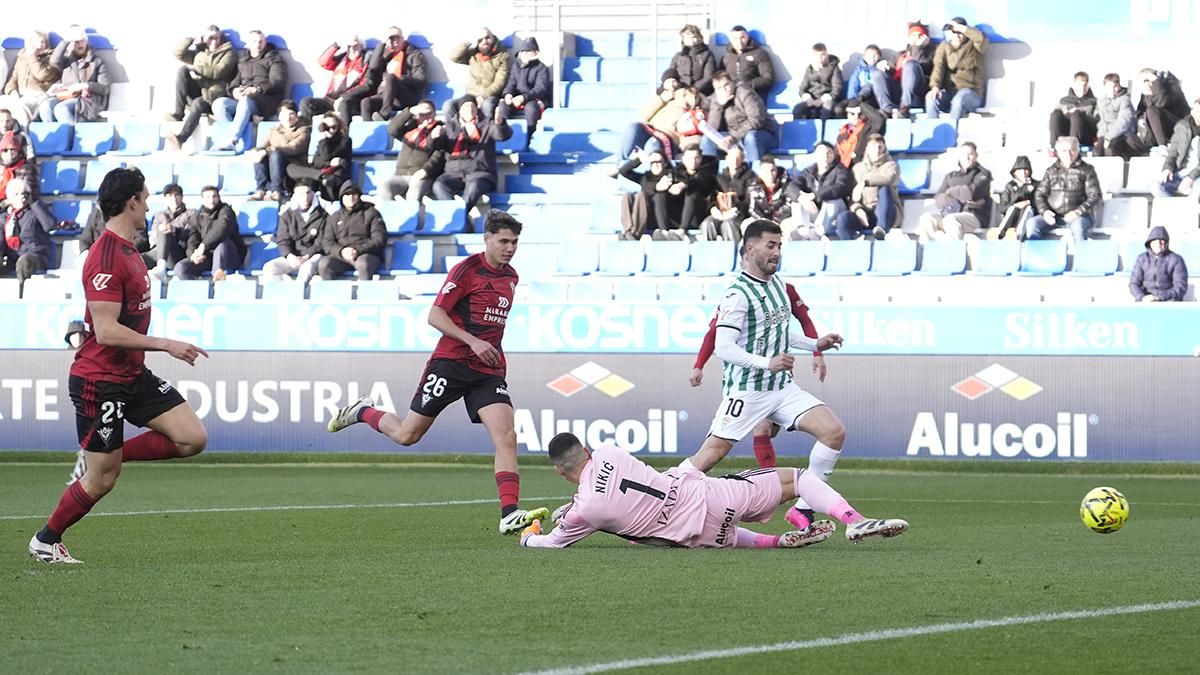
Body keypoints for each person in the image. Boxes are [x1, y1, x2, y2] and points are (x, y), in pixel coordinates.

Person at [328, 210, 550, 535]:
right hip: (451, 363)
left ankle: (509, 513)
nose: (510, 247)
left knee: (507, 437)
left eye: (515, 241)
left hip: (487, 371)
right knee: (407, 435)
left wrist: (489, 352)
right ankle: (363, 411)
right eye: (503, 240)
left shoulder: (511, 277)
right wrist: (472, 342)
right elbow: (435, 315)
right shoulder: (467, 270)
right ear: (486, 239)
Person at [28, 167, 208, 565]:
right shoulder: (106, 255)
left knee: (191, 438)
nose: (148, 203)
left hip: (131, 373)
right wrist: (166, 344)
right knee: (102, 479)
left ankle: (106, 452)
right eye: (145, 196)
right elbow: (107, 331)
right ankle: (46, 539)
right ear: (133, 202)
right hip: (100, 381)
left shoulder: (129, 250)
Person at [676, 220, 850, 534]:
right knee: (711, 455)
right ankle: (657, 501)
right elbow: (724, 346)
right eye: (770, 245)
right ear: (749, 249)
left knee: (834, 432)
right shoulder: (737, 294)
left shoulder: (778, 285)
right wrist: (766, 363)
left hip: (781, 387)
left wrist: (814, 344)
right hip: (747, 390)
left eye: (779, 246)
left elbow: (779, 333)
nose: (776, 252)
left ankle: (802, 510)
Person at [521, 433, 908, 549]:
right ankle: (853, 521)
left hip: (697, 535)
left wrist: (528, 538)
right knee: (796, 478)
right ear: (586, 450)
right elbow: (612, 480)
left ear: (559, 472)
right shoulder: (608, 450)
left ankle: (775, 543)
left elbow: (554, 542)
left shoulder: (585, 511)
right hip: (707, 496)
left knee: (639, 534)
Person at [690, 252, 828, 469]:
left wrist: (816, 350)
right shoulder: (738, 296)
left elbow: (803, 321)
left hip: (780, 380)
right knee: (755, 432)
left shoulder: (784, 289)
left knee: (776, 431)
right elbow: (715, 334)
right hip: (749, 382)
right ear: (746, 257)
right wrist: (699, 365)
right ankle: (770, 484)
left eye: (778, 246)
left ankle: (786, 494)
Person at [432, 95, 512, 222]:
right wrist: (434, 137)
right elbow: (436, 146)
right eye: (466, 107)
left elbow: (502, 135)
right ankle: (458, 216)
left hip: (481, 174)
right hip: (454, 173)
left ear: (477, 109)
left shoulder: (486, 124)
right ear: (459, 111)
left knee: (473, 188)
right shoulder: (449, 127)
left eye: (472, 106)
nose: (469, 109)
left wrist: (500, 124)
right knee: (439, 185)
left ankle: (458, 220)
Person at [210, 30, 287, 152]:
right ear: (248, 44)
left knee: (245, 101)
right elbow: (233, 83)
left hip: (265, 102)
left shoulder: (274, 59)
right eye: (254, 41)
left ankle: (232, 140)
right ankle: (235, 140)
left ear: (265, 43)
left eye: (261, 41)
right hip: (243, 100)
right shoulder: (242, 61)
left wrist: (257, 89)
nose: (258, 44)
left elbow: (278, 82)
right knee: (219, 104)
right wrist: (235, 91)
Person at [164, 26, 237, 151]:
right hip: (200, 91)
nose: (214, 41)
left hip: (214, 97)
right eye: (210, 38)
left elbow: (218, 72)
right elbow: (178, 53)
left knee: (198, 102)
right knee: (182, 71)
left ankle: (181, 138)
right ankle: (178, 113)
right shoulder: (199, 52)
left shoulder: (229, 53)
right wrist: (190, 40)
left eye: (217, 38)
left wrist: (197, 68)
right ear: (205, 39)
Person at [1020, 136, 1102, 242]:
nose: (1068, 154)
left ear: (1077, 150)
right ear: (1058, 152)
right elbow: (1040, 194)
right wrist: (1044, 211)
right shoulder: (1051, 171)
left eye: (1072, 150)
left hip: (1080, 217)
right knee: (1032, 223)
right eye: (1064, 151)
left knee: (1078, 227)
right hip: (1055, 217)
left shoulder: (1087, 170)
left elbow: (1095, 195)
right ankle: (1036, 256)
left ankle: (1082, 256)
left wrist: (1078, 211)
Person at [916, 142, 992, 242]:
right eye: (964, 154)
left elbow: (971, 193)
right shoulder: (951, 175)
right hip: (949, 212)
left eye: (970, 154)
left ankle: (952, 255)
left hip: (974, 215)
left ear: (976, 155)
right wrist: (962, 195)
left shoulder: (983, 174)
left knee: (951, 220)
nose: (967, 157)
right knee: (927, 218)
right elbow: (939, 199)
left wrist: (950, 192)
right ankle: (926, 253)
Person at [782, 142, 856, 241]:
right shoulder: (808, 172)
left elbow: (840, 188)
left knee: (831, 201)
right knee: (797, 200)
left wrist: (815, 195)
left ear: (833, 155)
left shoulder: (841, 170)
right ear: (816, 156)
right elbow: (791, 186)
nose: (825, 156)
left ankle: (818, 232)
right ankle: (803, 231)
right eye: (822, 153)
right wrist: (801, 198)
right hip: (815, 210)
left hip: (834, 213)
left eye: (829, 153)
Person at [700, 71, 777, 165]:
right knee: (707, 139)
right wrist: (720, 106)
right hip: (733, 136)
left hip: (760, 133)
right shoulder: (715, 99)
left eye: (726, 85)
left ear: (732, 82)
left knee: (751, 137)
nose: (723, 90)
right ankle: (708, 171)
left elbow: (756, 120)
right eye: (719, 88)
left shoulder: (745, 92)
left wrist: (734, 136)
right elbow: (712, 128)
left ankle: (753, 172)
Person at [379, 100, 445, 202]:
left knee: (413, 193)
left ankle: (412, 216)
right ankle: (390, 216)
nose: (426, 116)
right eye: (422, 114)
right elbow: (392, 129)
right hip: (401, 175)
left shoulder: (440, 130)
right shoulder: (410, 129)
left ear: (435, 114)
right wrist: (410, 111)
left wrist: (424, 171)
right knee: (384, 186)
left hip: (423, 176)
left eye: (429, 113)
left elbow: (438, 155)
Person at [262, 179, 326, 284]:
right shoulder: (287, 215)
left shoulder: (323, 215)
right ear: (295, 195)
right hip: (293, 257)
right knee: (270, 267)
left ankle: (298, 294)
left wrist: (306, 256)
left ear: (312, 194)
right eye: (301, 193)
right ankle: (285, 293)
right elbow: (283, 240)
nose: (305, 196)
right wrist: (290, 256)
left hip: (314, 256)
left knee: (307, 267)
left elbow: (321, 242)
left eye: (308, 193)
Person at [41, 26, 110, 123]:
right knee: (45, 106)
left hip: (86, 100)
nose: (80, 44)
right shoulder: (67, 60)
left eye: (82, 41)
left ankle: (72, 137)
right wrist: (66, 40)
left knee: (61, 109)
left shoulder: (97, 62)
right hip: (67, 95)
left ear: (86, 42)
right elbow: (54, 61)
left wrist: (85, 85)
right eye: (76, 42)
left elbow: (105, 88)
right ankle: (55, 136)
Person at [174, 185, 244, 280]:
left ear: (219, 197)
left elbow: (221, 229)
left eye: (214, 196)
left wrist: (203, 246)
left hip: (229, 256)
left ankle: (218, 275)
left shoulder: (227, 211)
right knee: (180, 268)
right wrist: (193, 255)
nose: (211, 200)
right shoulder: (197, 216)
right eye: (207, 197)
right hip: (207, 257)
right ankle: (198, 291)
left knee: (222, 244)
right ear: (202, 199)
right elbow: (192, 239)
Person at [317, 183, 385, 280]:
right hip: (342, 256)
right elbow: (327, 242)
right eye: (347, 195)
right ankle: (331, 294)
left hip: (365, 254)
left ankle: (364, 293)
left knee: (363, 264)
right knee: (324, 264)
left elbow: (379, 239)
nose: (351, 198)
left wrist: (357, 250)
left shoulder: (371, 213)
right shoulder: (334, 217)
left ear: (359, 196)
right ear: (342, 197)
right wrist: (341, 251)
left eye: (354, 194)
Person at [247, 101, 311, 202]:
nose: (288, 118)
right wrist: (255, 151)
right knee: (259, 152)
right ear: (279, 116)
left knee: (275, 153)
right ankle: (260, 189)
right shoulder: (274, 131)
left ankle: (277, 191)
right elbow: (263, 146)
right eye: (284, 114)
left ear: (296, 116)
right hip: (274, 170)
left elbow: (293, 148)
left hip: (291, 168)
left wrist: (269, 151)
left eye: (291, 114)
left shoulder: (303, 130)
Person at [360, 26, 428, 121]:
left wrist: (400, 79)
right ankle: (369, 132)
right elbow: (373, 67)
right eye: (391, 38)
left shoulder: (414, 55)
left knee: (391, 77)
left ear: (403, 39)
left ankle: (384, 114)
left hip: (406, 96)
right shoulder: (387, 56)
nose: (395, 41)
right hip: (387, 96)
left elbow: (421, 80)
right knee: (366, 102)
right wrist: (382, 44)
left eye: (398, 37)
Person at [925, 17, 987, 121]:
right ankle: (933, 132)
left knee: (959, 100)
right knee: (932, 99)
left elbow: (981, 39)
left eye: (960, 32)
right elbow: (938, 67)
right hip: (950, 92)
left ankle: (952, 134)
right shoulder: (944, 46)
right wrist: (935, 87)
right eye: (954, 32)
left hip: (972, 92)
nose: (957, 35)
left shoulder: (974, 45)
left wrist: (962, 28)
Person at [300, 37, 370, 125]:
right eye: (349, 46)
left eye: (355, 46)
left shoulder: (366, 61)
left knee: (344, 105)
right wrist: (336, 45)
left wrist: (343, 97)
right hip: (330, 99)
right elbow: (323, 62)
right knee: (306, 102)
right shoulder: (342, 58)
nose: (352, 49)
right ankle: (306, 133)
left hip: (349, 99)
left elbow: (365, 86)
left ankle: (344, 137)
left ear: (361, 46)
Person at [285, 112, 352, 202]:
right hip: (319, 173)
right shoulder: (322, 141)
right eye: (327, 127)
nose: (331, 130)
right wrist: (328, 162)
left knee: (319, 180)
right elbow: (317, 161)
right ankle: (321, 176)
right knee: (291, 168)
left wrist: (324, 141)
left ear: (338, 126)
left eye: (334, 127)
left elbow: (325, 157)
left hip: (335, 174)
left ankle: (319, 178)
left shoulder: (345, 140)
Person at [445, 28, 511, 120]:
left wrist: (483, 96)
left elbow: (500, 82)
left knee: (487, 106)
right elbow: (453, 57)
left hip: (490, 95)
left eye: (488, 38)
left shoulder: (503, 56)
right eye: (480, 39)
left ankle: (486, 132)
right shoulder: (472, 54)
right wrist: (469, 42)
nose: (485, 41)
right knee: (449, 106)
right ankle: (453, 132)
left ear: (493, 38)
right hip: (471, 94)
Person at [498, 37, 551, 150]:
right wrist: (508, 94)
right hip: (516, 99)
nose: (525, 54)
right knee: (503, 106)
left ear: (536, 52)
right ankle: (504, 138)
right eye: (523, 51)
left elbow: (540, 89)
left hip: (533, 99)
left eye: (528, 51)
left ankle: (528, 140)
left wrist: (524, 97)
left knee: (531, 109)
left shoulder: (541, 68)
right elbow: (511, 83)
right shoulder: (516, 67)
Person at [873, 21, 934, 118]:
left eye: (920, 35)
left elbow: (921, 65)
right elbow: (891, 69)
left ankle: (905, 105)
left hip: (917, 92)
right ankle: (886, 109)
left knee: (910, 65)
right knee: (877, 74)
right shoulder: (900, 54)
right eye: (913, 35)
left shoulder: (931, 53)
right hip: (898, 90)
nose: (916, 38)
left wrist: (918, 47)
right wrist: (884, 67)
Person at [0, 176, 53, 287]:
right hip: (11, 258)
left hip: (35, 256)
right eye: (17, 194)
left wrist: (34, 203)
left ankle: (21, 297)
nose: (22, 197)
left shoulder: (35, 212)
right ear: (9, 198)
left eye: (25, 194)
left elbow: (49, 225)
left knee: (24, 262)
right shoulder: (4, 217)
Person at [0, 30, 60, 127]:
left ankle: (22, 136)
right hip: (20, 93)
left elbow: (42, 74)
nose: (40, 45)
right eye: (36, 42)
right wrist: (12, 91)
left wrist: (32, 57)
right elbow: (13, 78)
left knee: (20, 107)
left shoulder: (52, 57)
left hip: (38, 94)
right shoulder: (22, 57)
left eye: (42, 42)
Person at [849, 133, 901, 240]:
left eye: (880, 146)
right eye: (873, 146)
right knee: (843, 219)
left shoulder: (891, 165)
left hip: (888, 212)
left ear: (884, 148)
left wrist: (865, 182)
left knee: (884, 188)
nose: (877, 150)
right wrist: (858, 209)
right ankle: (851, 243)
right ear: (867, 148)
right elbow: (852, 194)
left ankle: (881, 229)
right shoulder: (858, 168)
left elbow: (887, 179)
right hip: (866, 211)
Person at [700, 144, 755, 242]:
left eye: (738, 157)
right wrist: (714, 209)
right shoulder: (719, 177)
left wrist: (736, 210)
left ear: (742, 159)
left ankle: (732, 253)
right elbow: (712, 196)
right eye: (732, 157)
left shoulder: (749, 176)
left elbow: (749, 199)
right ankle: (708, 253)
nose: (735, 160)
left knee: (728, 224)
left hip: (738, 213)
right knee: (707, 224)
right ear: (727, 158)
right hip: (720, 211)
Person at [1129, 226, 1189, 302]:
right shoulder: (1142, 259)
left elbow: (1180, 287)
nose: (1158, 245)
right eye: (1155, 242)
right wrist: (1142, 297)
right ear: (1149, 243)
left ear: (1166, 243)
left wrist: (1159, 297)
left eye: (1162, 242)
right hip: (1146, 299)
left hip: (1169, 300)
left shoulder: (1176, 259)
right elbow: (1134, 284)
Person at [146, 183, 191, 281]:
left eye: (177, 195)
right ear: (165, 198)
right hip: (159, 252)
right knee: (137, 259)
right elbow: (154, 237)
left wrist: (174, 230)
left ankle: (161, 269)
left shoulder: (190, 214)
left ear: (182, 197)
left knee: (165, 231)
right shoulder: (159, 215)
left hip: (178, 254)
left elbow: (191, 234)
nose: (174, 199)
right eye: (170, 196)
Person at [1095, 73, 1145, 160]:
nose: (1112, 90)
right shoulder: (1102, 101)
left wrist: (1109, 137)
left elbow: (1123, 121)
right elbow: (1100, 120)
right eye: (1109, 87)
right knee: (1097, 153)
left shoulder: (1125, 100)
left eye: (1114, 86)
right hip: (1104, 134)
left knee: (1110, 149)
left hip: (1120, 135)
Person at [1136, 69, 1189, 148]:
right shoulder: (1146, 93)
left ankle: (1162, 147)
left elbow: (1161, 102)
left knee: (1152, 111)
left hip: (1179, 125)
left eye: (1149, 80)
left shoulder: (1171, 86)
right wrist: (1141, 119)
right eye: (1144, 81)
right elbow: (1140, 111)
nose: (1147, 85)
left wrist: (1155, 82)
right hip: (1158, 131)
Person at [1158, 98, 1200, 197]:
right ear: (1192, 112)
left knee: (1197, 189)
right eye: (1198, 111)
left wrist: (1190, 178)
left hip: (1197, 175)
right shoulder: (1182, 126)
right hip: (1182, 171)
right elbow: (1172, 152)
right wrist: (1167, 168)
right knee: (1157, 187)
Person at [721, 25, 775, 99]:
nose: (739, 41)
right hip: (731, 96)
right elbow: (719, 78)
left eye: (742, 37)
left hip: (752, 96)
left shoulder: (759, 54)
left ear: (748, 37)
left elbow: (768, 79)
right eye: (735, 38)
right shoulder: (726, 57)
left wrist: (746, 85)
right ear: (730, 40)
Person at [793, 43, 843, 120]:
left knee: (827, 108)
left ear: (827, 55)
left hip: (827, 99)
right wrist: (806, 96)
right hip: (812, 99)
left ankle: (823, 130)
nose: (819, 58)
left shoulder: (834, 67)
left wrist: (825, 98)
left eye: (822, 55)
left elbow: (837, 88)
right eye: (816, 55)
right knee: (797, 109)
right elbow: (802, 88)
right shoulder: (810, 69)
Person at [663, 25, 716, 95]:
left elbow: (708, 77)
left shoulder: (707, 55)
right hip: (679, 92)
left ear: (699, 38)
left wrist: (692, 90)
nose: (690, 39)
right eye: (687, 36)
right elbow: (671, 72)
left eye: (693, 36)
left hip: (700, 93)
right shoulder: (678, 56)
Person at [1049, 72, 1098, 148]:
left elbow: (1098, 123)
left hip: (1084, 135)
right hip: (1065, 134)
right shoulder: (1063, 101)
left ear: (1088, 85)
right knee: (1056, 113)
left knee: (1077, 114)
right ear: (1073, 84)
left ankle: (1074, 148)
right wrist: (1066, 114)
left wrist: (1084, 113)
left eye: (1084, 86)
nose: (1082, 89)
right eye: (1079, 85)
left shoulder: (1094, 102)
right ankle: (1055, 147)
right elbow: (1051, 123)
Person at [833, 100, 886, 168]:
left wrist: (860, 104)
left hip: (861, 167)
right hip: (843, 169)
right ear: (847, 115)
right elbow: (837, 151)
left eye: (860, 114)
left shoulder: (868, 128)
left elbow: (879, 120)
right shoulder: (844, 131)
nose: (856, 116)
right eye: (852, 113)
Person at [995, 156, 1038, 240]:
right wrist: (1016, 205)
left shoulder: (1035, 185)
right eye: (1020, 170)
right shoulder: (1010, 186)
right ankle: (1000, 232)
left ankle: (1018, 235)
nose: (1023, 173)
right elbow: (1002, 207)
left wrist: (1028, 202)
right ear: (1014, 172)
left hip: (1029, 216)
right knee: (1012, 208)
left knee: (1028, 209)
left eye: (1026, 169)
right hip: (1012, 217)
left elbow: (1039, 203)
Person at [0, 130, 38, 208]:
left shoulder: (27, 169)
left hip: (23, 208)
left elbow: (26, 195)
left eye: (13, 150)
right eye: (5, 151)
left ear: (18, 151)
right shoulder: (2, 170)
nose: (9, 153)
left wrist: (3, 204)